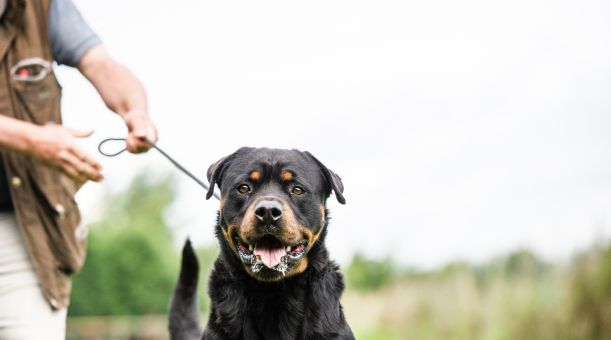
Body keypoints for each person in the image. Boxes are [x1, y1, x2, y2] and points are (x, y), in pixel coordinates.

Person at [0, 0, 157, 338]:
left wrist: (136, 111)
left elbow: (101, 64)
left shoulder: (43, 7)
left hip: (26, 229)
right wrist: (33, 140)